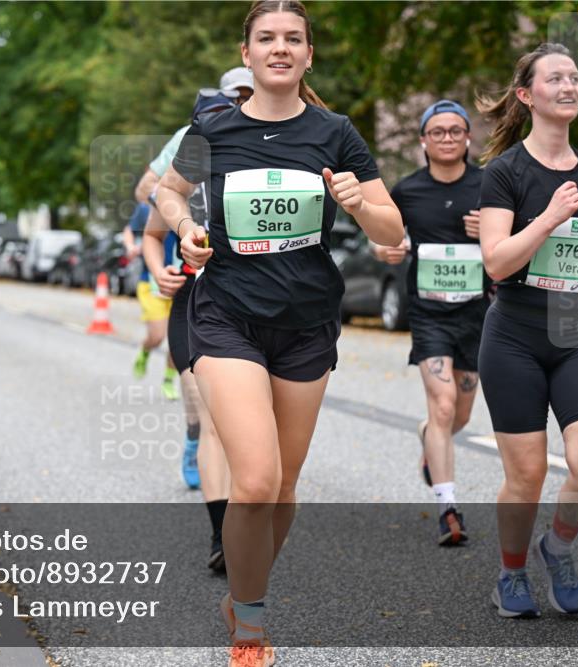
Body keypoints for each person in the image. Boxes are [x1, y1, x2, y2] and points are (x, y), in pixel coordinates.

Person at [156, 2, 402, 663]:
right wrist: (185, 229)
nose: (281, 47)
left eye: (294, 38)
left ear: (309, 55)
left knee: (286, 486)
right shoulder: (212, 126)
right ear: (247, 53)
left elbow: (392, 231)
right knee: (257, 481)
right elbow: (166, 193)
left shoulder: (336, 132)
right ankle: (251, 632)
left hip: (305, 324)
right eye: (267, 38)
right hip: (227, 315)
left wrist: (359, 204)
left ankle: (244, 593)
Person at [476, 42, 578, 618]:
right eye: (554, 78)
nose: (569, 86)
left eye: (576, 78)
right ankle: (511, 575)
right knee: (528, 473)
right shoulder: (504, 172)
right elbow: (496, 262)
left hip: (576, 322)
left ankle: (556, 548)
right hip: (514, 330)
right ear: (526, 95)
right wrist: (550, 217)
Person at [373, 99, 487, 545]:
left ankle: (428, 438)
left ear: (467, 137)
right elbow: (383, 241)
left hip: (477, 313)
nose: (446, 138)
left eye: (454, 131)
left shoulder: (488, 186)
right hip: (429, 311)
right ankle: (449, 509)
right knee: (441, 406)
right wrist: (388, 251)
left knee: (458, 414)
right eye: (437, 131)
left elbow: (517, 239)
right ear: (423, 140)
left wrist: (493, 231)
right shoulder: (407, 191)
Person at [141, 87, 238, 571]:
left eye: (228, 118)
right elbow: (151, 234)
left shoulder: (250, 172)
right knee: (205, 412)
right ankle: (221, 535)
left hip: (242, 306)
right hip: (189, 301)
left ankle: (238, 518)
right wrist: (159, 270)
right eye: (209, 123)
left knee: (235, 423)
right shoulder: (181, 184)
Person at [124, 201, 180, 400]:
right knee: (157, 336)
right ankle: (145, 350)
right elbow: (129, 230)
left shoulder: (191, 206)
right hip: (151, 282)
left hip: (180, 282)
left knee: (177, 339)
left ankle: (168, 380)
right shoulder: (149, 207)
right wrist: (131, 246)